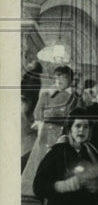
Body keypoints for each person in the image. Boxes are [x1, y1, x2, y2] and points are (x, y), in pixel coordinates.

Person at [22, 64, 78, 197]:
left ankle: (51, 190)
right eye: (56, 77)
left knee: (55, 161)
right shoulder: (47, 93)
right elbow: (37, 113)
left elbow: (72, 116)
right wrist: (48, 115)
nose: (59, 81)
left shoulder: (74, 97)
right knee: (38, 159)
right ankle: (32, 189)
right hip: (45, 132)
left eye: (63, 78)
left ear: (70, 80)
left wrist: (50, 115)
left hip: (61, 133)